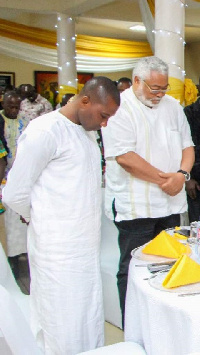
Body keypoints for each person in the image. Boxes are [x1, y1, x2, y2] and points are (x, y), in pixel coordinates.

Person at [2, 76, 120, 354]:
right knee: (61, 324)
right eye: (104, 115)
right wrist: (42, 218)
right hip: (57, 250)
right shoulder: (45, 130)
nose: (105, 124)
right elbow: (14, 193)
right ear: (85, 100)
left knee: (86, 318)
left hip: (85, 247)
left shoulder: (85, 130)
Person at [102, 56, 195, 328]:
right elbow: (125, 157)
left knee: (171, 265)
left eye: (164, 87)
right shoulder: (119, 108)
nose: (160, 94)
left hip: (171, 205)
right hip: (135, 207)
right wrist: (166, 180)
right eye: (155, 88)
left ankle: (164, 326)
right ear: (137, 81)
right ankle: (134, 327)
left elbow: (187, 147)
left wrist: (182, 175)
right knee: (133, 269)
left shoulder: (173, 107)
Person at [0, 91, 28, 278]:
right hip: (3, 175)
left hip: (19, 174)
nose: (14, 110)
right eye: (10, 106)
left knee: (17, 224)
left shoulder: (26, 122)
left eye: (17, 107)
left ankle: (20, 256)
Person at [184, 98, 200, 222]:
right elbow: (181, 148)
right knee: (196, 227)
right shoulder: (188, 113)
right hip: (195, 182)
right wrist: (187, 178)